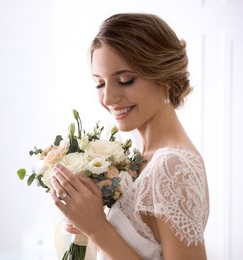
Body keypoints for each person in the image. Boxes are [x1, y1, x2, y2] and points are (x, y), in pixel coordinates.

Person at [50, 13, 209, 259]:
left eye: (125, 80)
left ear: (164, 75)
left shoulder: (173, 164)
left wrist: (97, 228)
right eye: (100, 83)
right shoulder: (138, 156)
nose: (108, 98)